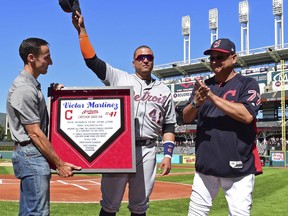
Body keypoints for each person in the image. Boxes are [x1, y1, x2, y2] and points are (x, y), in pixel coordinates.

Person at [71, 11, 176, 216]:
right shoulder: (120, 77)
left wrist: (168, 155)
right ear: (134, 62)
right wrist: (82, 31)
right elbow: (92, 61)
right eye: (141, 57)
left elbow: (169, 126)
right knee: (110, 205)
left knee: (140, 205)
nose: (145, 60)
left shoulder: (164, 90)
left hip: (147, 149)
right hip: (120, 148)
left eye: (149, 57)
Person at [182, 38, 263, 216]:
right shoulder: (204, 86)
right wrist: (196, 102)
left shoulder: (247, 83)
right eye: (212, 57)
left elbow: (247, 115)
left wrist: (212, 97)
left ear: (234, 58)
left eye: (221, 57)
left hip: (238, 168)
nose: (215, 61)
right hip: (205, 166)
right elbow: (186, 118)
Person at [6, 37, 82, 216]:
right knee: (38, 213)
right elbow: (35, 133)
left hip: (31, 153)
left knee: (29, 212)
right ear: (31, 58)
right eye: (46, 57)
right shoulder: (24, 89)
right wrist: (59, 163)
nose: (51, 61)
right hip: (31, 154)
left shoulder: (31, 86)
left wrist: (54, 95)